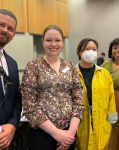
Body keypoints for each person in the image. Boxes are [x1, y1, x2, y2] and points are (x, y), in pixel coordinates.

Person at [21, 25, 84, 150]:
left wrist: (70, 134)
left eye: (57, 40)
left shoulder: (70, 66)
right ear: (43, 41)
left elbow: (78, 100)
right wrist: (56, 133)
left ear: (63, 42)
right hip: (42, 134)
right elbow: (29, 104)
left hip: (68, 133)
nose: (53, 44)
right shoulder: (33, 66)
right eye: (49, 40)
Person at [75, 38, 118, 150]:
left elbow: (111, 96)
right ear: (79, 52)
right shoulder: (72, 73)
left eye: (94, 49)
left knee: (100, 145)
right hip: (79, 119)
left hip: (101, 117)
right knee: (81, 145)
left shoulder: (104, 73)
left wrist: (111, 117)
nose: (91, 52)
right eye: (87, 49)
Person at [0, 9, 22, 149]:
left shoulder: (12, 63)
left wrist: (12, 125)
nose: (5, 30)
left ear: (13, 35)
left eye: (10, 29)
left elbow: (16, 97)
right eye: (1, 24)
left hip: (5, 138)